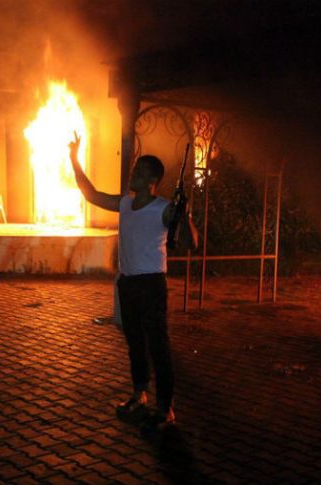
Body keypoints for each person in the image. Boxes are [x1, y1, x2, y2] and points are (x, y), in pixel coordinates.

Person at [68, 132, 198, 433]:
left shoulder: (163, 208)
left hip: (151, 285)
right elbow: (90, 194)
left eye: (139, 172)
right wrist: (74, 158)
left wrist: (184, 213)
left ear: (152, 179)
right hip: (127, 284)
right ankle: (139, 394)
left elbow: (192, 243)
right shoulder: (126, 203)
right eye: (134, 170)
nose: (133, 175)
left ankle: (165, 409)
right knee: (135, 344)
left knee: (158, 348)